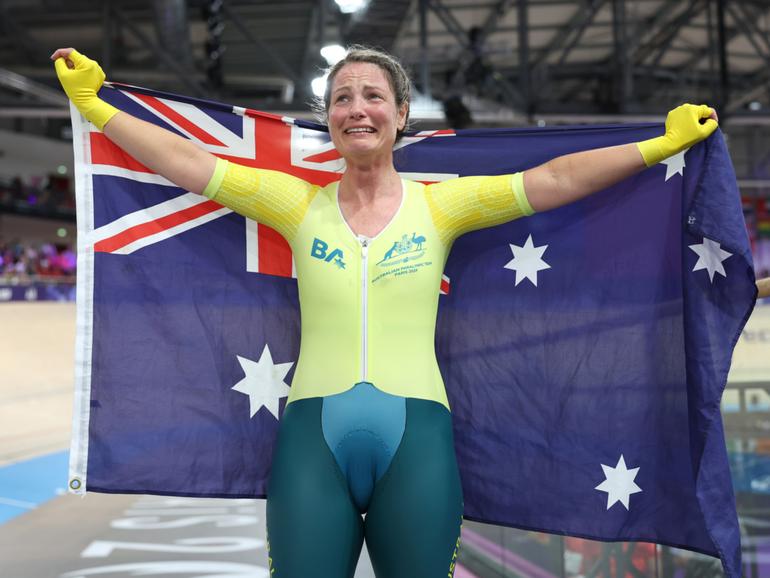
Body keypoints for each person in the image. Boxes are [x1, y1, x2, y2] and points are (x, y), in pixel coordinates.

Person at [52, 45, 719, 578]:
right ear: (330, 120)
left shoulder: (441, 207)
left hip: (418, 441)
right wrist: (95, 108)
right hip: (312, 443)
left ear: (401, 115)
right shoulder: (295, 204)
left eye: (372, 95)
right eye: (342, 98)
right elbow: (190, 161)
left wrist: (659, 147)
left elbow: (556, 180)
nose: (356, 108)